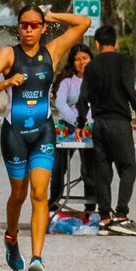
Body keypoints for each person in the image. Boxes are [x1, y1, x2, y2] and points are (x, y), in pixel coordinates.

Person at [0, 5, 91, 271]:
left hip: (43, 131)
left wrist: (52, 16)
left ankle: (37, 258)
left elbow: (83, 22)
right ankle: (11, 237)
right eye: (24, 25)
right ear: (19, 27)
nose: (28, 29)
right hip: (14, 132)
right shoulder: (8, 54)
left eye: (34, 24)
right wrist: (6, 83)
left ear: (42, 27)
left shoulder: (51, 52)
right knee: (18, 194)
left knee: (39, 193)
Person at [75, 24, 136, 236]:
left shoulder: (92, 66)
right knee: (128, 168)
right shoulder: (123, 60)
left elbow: (83, 98)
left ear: (96, 44)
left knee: (103, 172)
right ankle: (121, 215)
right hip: (119, 122)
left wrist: (80, 124)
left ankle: (104, 217)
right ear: (116, 43)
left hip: (99, 124)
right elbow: (127, 87)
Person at [49, 43, 95, 213]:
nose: (81, 62)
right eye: (77, 59)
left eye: (85, 58)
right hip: (69, 127)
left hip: (91, 129)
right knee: (59, 168)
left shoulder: (98, 78)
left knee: (90, 169)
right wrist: (78, 122)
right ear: (72, 62)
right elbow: (60, 103)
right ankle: (54, 204)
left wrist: (88, 124)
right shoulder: (66, 81)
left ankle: (90, 208)